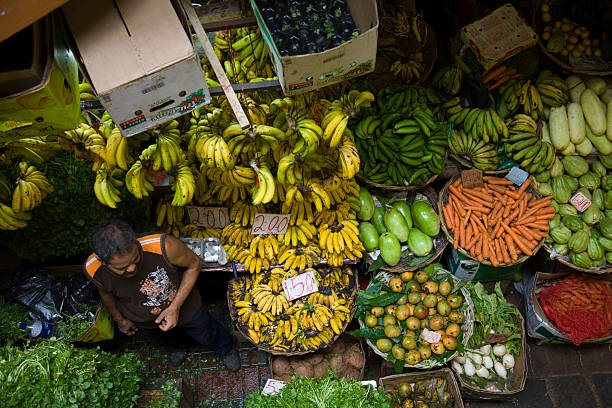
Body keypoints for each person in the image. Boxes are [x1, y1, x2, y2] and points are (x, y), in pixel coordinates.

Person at [83, 219, 240, 371]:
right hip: (145, 321)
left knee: (206, 330)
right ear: (104, 262)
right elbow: (106, 294)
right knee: (166, 339)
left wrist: (175, 308)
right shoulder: (93, 269)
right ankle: (179, 347)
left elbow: (194, 264)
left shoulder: (162, 246)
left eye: (135, 259)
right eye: (122, 268)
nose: (131, 269)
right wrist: (120, 320)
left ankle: (224, 348)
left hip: (185, 306)